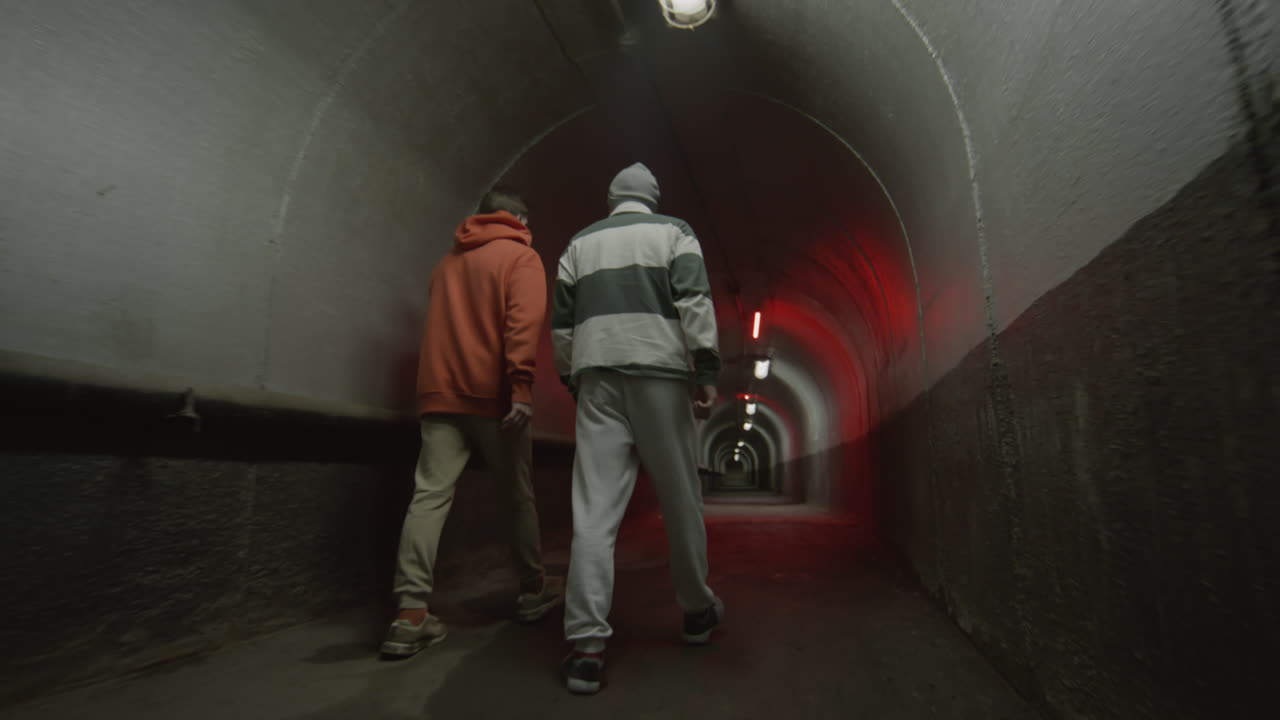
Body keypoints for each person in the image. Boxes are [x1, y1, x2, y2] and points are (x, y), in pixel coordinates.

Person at [552, 163, 725, 694]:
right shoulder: (674, 233)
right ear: (651, 198)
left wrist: (572, 379)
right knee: (680, 499)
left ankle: (585, 647)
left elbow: (561, 325)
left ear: (611, 200)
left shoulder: (577, 245)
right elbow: (694, 301)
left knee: (594, 512)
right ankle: (696, 611)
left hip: (598, 376)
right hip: (660, 375)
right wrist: (707, 369)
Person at [381, 187, 563, 657]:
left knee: (428, 496)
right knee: (516, 496)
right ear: (518, 217)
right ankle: (531, 590)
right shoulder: (521, 259)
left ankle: (410, 612)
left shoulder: (446, 264)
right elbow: (522, 323)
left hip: (440, 395)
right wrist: (521, 385)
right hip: (496, 399)